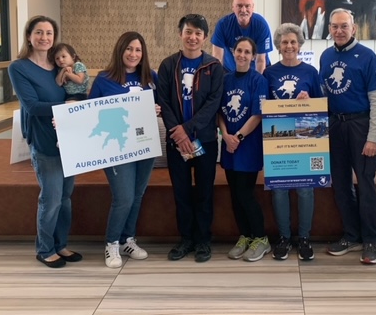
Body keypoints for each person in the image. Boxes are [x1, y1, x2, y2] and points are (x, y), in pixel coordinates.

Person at [8, 15, 82, 268]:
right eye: (39, 32)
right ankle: (45, 248)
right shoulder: (19, 68)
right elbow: (32, 105)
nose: (44, 38)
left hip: (69, 141)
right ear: (29, 36)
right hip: (44, 141)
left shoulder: (60, 65)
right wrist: (65, 106)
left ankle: (60, 245)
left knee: (65, 198)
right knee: (51, 198)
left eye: (49, 33)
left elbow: (77, 92)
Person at [88, 31, 159, 268]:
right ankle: (111, 244)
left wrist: (157, 108)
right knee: (124, 197)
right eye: (129, 49)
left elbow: (163, 105)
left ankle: (128, 239)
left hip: (144, 146)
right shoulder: (104, 79)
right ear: (120, 50)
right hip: (116, 147)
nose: (133, 54)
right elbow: (90, 113)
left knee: (137, 196)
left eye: (138, 50)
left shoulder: (150, 77)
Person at [319, 8, 376, 264]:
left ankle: (371, 240)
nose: (339, 30)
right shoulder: (325, 56)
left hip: (360, 125)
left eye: (344, 26)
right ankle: (352, 235)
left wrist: (373, 138)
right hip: (335, 125)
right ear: (329, 29)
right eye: (334, 26)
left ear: (353, 28)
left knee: (366, 184)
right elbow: (323, 93)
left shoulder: (367, 56)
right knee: (341, 185)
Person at [158, 14, 224, 263]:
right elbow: (163, 101)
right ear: (180, 34)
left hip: (204, 140)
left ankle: (203, 241)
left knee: (205, 192)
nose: (193, 37)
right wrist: (179, 133)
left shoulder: (214, 67)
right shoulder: (168, 65)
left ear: (205, 37)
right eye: (188, 32)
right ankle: (186, 239)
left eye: (198, 33)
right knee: (182, 193)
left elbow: (212, 104)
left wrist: (188, 129)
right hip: (177, 143)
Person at [263, 23, 323, 261]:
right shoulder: (269, 73)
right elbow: (264, 105)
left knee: (305, 189)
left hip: (306, 135)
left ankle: (304, 238)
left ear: (299, 45)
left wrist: (308, 99)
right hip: (278, 136)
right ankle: (285, 238)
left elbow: (320, 106)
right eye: (284, 42)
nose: (289, 46)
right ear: (278, 46)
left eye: (293, 42)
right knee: (279, 190)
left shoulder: (310, 72)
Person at [218, 37, 271, 262]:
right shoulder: (225, 79)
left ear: (253, 56)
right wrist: (226, 135)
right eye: (239, 50)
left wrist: (238, 137)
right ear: (233, 52)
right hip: (228, 145)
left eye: (247, 52)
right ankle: (245, 236)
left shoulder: (258, 80)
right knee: (234, 194)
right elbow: (218, 112)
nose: (242, 55)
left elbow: (258, 114)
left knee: (245, 193)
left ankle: (261, 238)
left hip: (247, 145)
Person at [211, 0, 272, 73]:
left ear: (253, 7)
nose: (243, 10)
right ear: (233, 7)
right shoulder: (223, 25)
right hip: (231, 71)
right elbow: (217, 58)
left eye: (247, 6)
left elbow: (260, 60)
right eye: (239, 6)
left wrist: (257, 82)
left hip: (257, 70)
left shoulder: (261, 25)